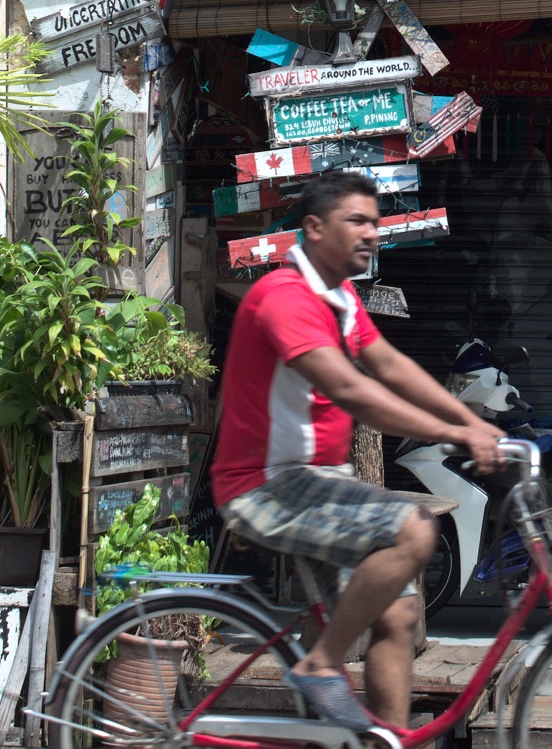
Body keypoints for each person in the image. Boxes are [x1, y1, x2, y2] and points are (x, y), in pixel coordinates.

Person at [211, 169, 507, 731]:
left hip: (319, 483)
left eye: (375, 221)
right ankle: (320, 664)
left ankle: (383, 741)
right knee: (415, 530)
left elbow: (389, 365)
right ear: (315, 228)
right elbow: (353, 391)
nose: (372, 232)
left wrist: (472, 420)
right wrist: (458, 434)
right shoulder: (284, 297)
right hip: (266, 485)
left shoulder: (341, 297)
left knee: (397, 615)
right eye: (356, 221)